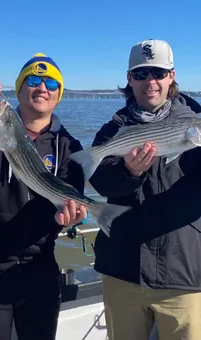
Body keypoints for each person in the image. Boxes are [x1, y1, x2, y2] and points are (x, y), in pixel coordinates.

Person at [0, 53, 87, 340]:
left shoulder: (69, 145)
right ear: (20, 88)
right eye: (33, 80)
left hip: (41, 270)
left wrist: (69, 218)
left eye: (51, 83)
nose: (42, 88)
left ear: (59, 94)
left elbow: (72, 197)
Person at [89, 39, 201, 340]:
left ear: (171, 76)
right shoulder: (114, 128)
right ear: (129, 79)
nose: (150, 82)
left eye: (158, 73)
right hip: (122, 270)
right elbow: (98, 182)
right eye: (140, 74)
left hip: (184, 272)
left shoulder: (196, 122)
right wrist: (129, 172)